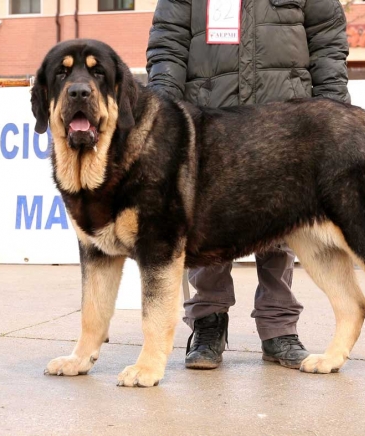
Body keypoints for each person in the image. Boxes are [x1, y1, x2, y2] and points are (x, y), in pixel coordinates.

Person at [146, 0, 351, 370]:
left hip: (287, 119)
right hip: (209, 117)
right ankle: (208, 323)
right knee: (202, 228)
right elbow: (168, 44)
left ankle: (278, 329)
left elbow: (327, 41)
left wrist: (333, 116)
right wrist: (165, 115)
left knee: (284, 228)